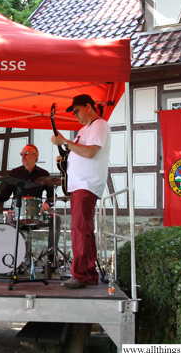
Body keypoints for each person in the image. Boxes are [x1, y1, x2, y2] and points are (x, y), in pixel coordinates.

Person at [50, 94, 111, 289]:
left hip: (87, 184)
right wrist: (65, 160)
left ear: (88, 106)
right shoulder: (85, 129)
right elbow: (80, 152)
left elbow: (91, 152)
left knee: (79, 230)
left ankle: (79, 275)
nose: (75, 115)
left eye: (76, 111)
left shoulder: (99, 125)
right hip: (79, 185)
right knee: (85, 231)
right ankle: (90, 273)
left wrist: (65, 142)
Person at [0, 144, 61, 266]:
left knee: (56, 219)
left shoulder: (43, 174)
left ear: (35, 156)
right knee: (9, 218)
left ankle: (51, 257)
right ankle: (10, 259)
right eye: (22, 154)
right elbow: (5, 195)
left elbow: (52, 196)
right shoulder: (15, 173)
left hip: (37, 214)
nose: (23, 156)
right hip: (17, 214)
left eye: (26, 153)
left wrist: (48, 203)